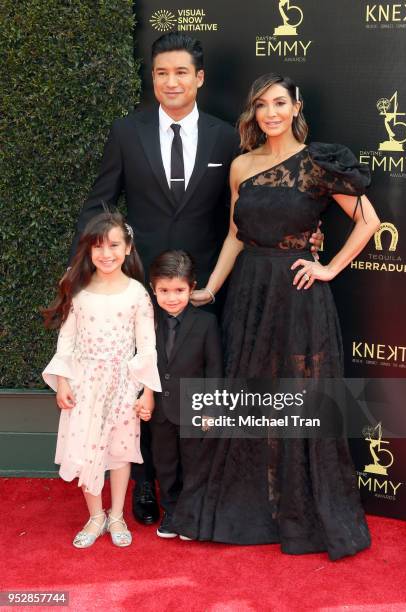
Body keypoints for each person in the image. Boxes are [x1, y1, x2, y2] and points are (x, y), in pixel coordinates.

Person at [68, 31, 323, 525]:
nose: (171, 81)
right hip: (140, 287)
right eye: (161, 72)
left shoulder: (227, 137)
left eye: (181, 72)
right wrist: (101, 254)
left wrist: (308, 234)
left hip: (207, 286)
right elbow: (98, 203)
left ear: (199, 78)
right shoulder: (127, 132)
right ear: (153, 77)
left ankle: (200, 484)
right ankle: (145, 486)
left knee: (200, 387)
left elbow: (250, 205)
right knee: (141, 386)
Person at [172, 74, 381, 560]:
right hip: (248, 293)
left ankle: (298, 507)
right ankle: (254, 504)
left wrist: (328, 267)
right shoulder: (242, 165)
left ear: (296, 106)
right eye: (262, 104)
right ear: (254, 111)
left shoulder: (317, 162)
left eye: (280, 103)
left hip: (298, 294)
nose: (271, 113)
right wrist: (210, 289)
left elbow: (369, 221)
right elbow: (234, 236)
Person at [41, 212, 161, 548]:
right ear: (88, 251)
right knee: (85, 448)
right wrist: (63, 381)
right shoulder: (78, 290)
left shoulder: (137, 293)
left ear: (128, 248)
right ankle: (95, 517)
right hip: (85, 384)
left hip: (125, 384)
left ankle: (117, 514)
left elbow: (148, 347)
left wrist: (148, 391)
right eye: (98, 247)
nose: (106, 253)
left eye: (113, 245)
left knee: (120, 453)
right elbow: (66, 340)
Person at [135, 250, 223, 539]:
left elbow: (214, 370)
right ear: (153, 289)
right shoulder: (147, 324)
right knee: (166, 465)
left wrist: (211, 409)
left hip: (195, 410)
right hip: (160, 412)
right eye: (164, 290)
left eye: (179, 290)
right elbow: (142, 364)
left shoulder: (207, 324)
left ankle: (191, 514)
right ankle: (171, 512)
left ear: (192, 287)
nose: (171, 297)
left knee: (195, 464)